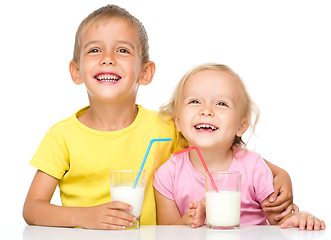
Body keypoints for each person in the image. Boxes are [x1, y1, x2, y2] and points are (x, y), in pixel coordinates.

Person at [23, 5, 292, 230]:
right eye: (95, 50)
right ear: (76, 71)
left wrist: (281, 174)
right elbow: (32, 209)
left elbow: (225, 150)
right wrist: (84, 217)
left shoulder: (165, 126)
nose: (107, 59)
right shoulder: (62, 137)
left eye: (123, 50)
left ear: (146, 72)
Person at [153, 63, 326, 231]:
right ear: (178, 122)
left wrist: (301, 216)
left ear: (241, 126)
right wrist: (187, 220)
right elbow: (165, 231)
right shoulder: (167, 175)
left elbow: (279, 222)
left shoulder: (253, 167)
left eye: (221, 103)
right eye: (194, 101)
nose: (206, 110)